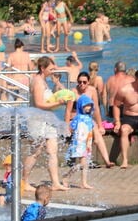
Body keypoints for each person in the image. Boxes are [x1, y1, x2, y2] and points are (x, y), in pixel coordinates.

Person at [22, 56, 72, 192]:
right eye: (51, 69)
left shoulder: (44, 80)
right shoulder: (37, 81)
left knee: (52, 151)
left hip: (47, 119)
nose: (53, 70)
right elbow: (39, 103)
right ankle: (24, 182)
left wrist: (58, 95)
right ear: (42, 68)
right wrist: (58, 103)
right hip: (36, 120)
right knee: (35, 152)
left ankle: (55, 183)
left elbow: (47, 100)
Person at [64, 72, 114, 168]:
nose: (81, 84)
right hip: (74, 119)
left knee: (97, 133)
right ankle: (81, 161)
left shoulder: (92, 91)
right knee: (81, 133)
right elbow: (68, 111)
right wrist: (67, 126)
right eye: (79, 82)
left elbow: (96, 109)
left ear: (88, 82)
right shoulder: (73, 92)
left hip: (87, 119)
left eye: (84, 82)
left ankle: (107, 161)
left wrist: (100, 125)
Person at [64, 95, 96, 189]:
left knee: (86, 164)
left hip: (87, 143)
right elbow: (72, 128)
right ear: (80, 106)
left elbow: (90, 131)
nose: (88, 108)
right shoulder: (78, 118)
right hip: (79, 143)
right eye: (86, 106)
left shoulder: (89, 118)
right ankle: (67, 176)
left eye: (90, 105)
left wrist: (90, 142)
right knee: (83, 163)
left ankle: (84, 182)